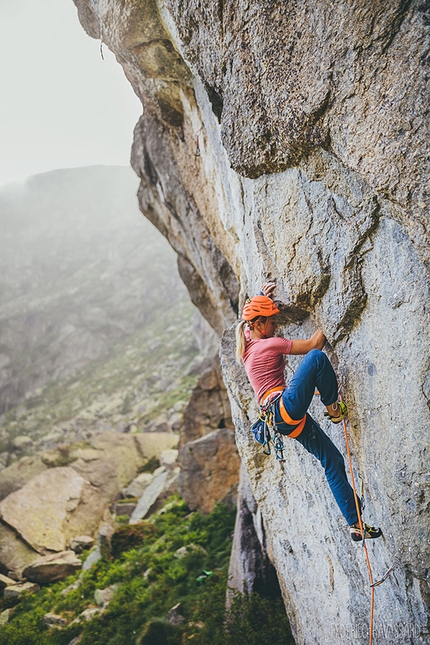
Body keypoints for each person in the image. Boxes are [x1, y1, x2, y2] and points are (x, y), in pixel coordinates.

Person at [236, 283, 382, 542]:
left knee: (332, 461)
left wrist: (262, 297)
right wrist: (331, 306)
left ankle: (355, 523)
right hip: (283, 408)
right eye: (271, 322)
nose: (276, 326)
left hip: (282, 420)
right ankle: (334, 410)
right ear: (259, 325)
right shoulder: (267, 345)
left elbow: (247, 321)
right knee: (316, 358)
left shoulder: (248, 342)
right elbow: (315, 344)